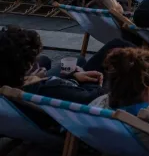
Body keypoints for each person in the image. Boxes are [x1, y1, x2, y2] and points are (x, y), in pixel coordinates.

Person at [0, 25, 130, 104]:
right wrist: (109, 79)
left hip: (70, 88)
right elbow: (93, 99)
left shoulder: (10, 86)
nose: (40, 67)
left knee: (79, 60)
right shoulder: (47, 88)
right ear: (27, 67)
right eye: (34, 62)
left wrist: (73, 77)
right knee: (116, 45)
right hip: (88, 94)